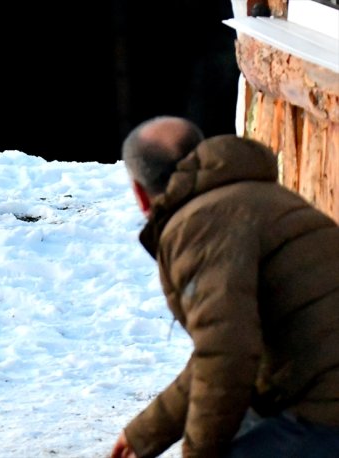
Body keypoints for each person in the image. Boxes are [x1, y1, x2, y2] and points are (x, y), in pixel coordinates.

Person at [111, 116, 339, 458]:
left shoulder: (198, 224)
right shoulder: (265, 198)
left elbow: (226, 354)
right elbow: (221, 350)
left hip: (325, 411)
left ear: (141, 194)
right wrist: (144, 434)